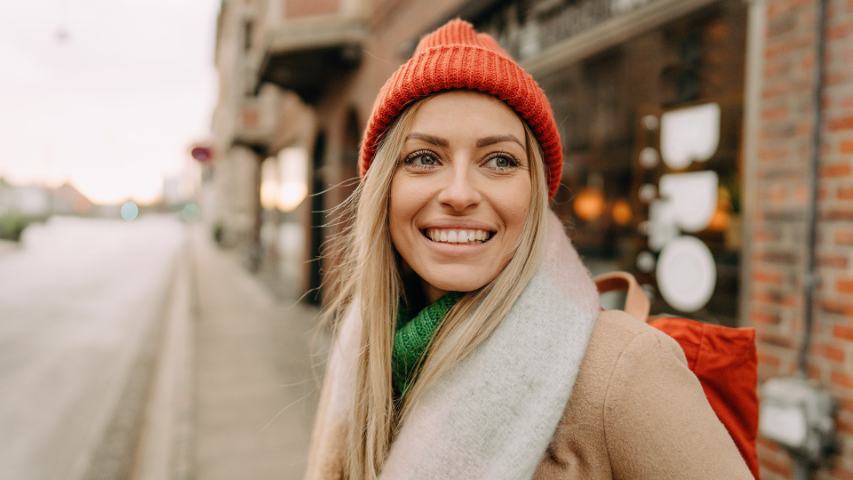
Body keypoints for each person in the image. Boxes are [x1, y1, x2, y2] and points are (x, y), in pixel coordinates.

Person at [305, 19, 751, 480]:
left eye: (499, 160)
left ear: (535, 195)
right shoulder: (362, 346)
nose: (459, 193)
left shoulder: (623, 369)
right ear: (384, 190)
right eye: (424, 158)